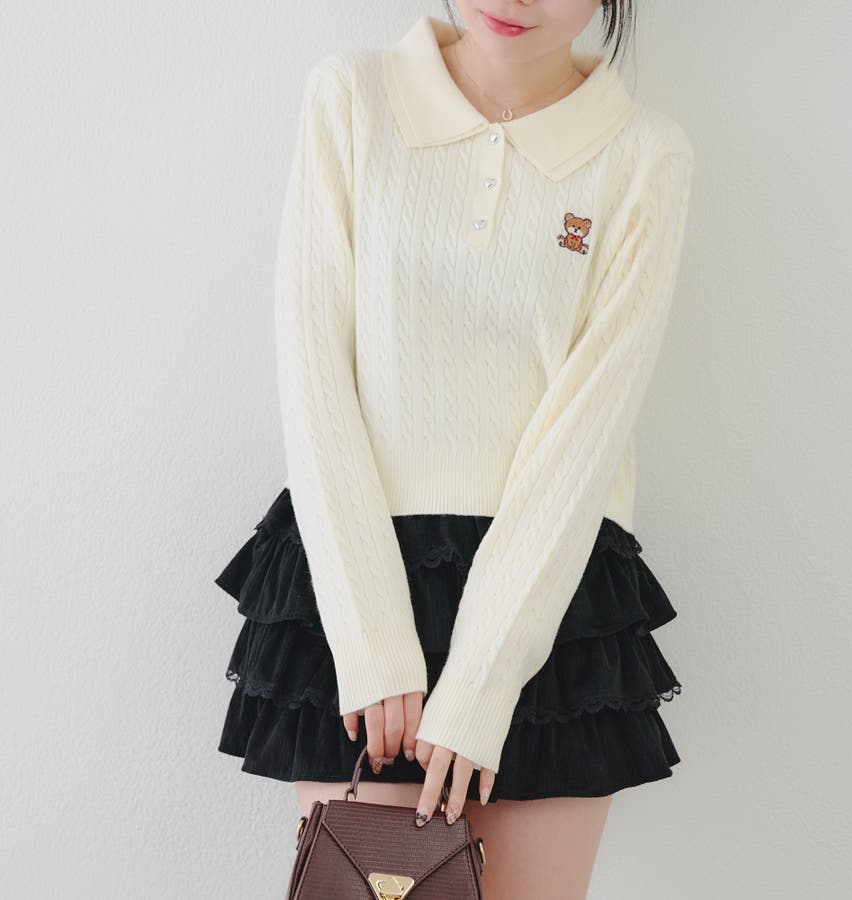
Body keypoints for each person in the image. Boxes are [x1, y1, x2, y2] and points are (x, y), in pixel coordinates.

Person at [215, 2, 694, 894]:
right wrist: (370, 639)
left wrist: (483, 678)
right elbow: (314, 376)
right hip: (360, 574)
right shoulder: (352, 98)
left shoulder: (643, 154)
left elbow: (586, 434)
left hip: (548, 600)